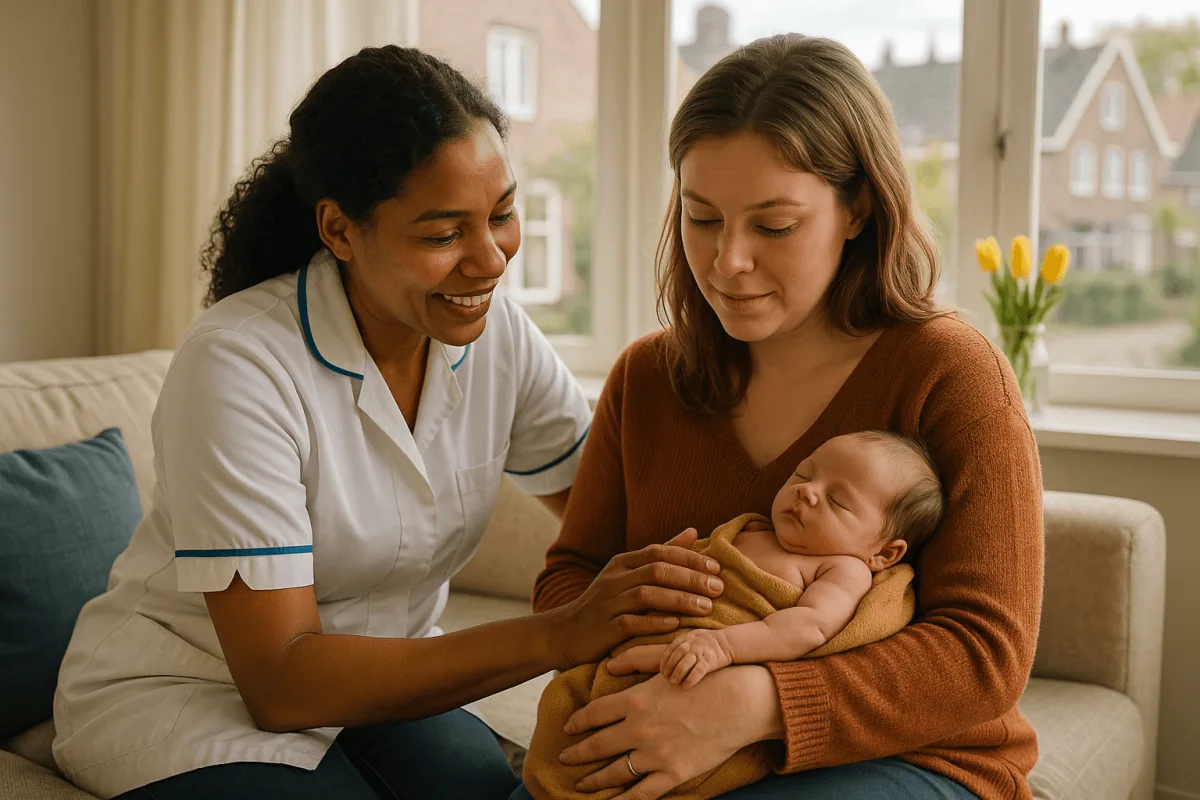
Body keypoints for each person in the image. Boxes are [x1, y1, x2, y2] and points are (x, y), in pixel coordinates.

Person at [52, 46, 725, 800]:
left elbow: (619, 515)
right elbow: (280, 683)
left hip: (385, 687)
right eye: (442, 235)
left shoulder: (497, 334)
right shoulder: (238, 364)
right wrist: (559, 633)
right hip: (191, 691)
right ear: (340, 231)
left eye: (502, 215)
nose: (490, 261)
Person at [511, 33, 1043, 800]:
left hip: (913, 760)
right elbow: (570, 578)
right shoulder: (647, 378)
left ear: (858, 208)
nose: (728, 261)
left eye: (774, 226)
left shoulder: (953, 376)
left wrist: (753, 703)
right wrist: (635, 641)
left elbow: (982, 655)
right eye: (702, 218)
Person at [522, 430, 945, 800]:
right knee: (568, 715)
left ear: (883, 552)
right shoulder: (752, 530)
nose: (807, 491)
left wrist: (722, 644)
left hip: (716, 664)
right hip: (650, 650)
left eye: (837, 500)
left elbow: (809, 627)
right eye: (803, 473)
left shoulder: (843, 568)